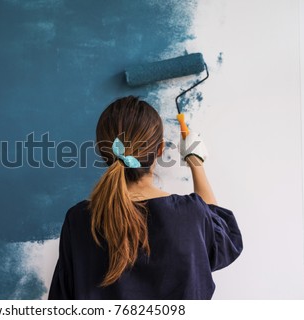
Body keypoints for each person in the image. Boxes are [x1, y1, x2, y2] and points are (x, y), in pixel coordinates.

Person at [48, 96, 243, 299]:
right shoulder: (189, 214)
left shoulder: (79, 220)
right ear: (160, 149)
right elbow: (223, 239)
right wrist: (195, 161)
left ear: (102, 151)